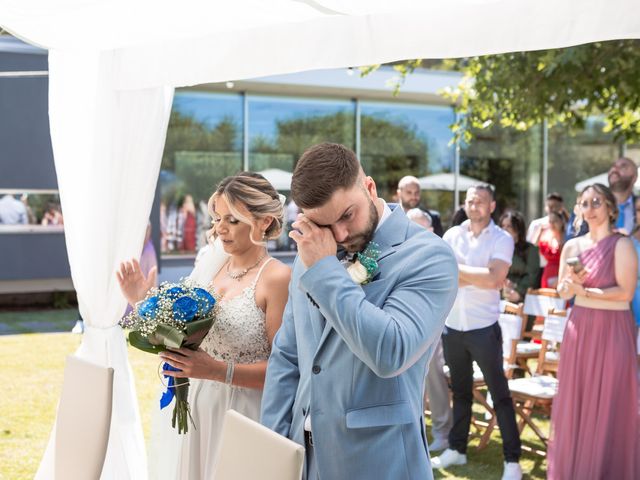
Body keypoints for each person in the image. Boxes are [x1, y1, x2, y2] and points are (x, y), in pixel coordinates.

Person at [261, 143, 458, 480]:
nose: (339, 235)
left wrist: (325, 270)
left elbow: (390, 352)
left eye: (347, 215)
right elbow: (288, 356)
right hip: (304, 461)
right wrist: (272, 447)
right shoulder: (311, 254)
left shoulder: (429, 256)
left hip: (380, 462)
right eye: (324, 224)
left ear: (369, 187)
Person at [117, 172, 291, 479]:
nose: (220, 229)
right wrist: (142, 302)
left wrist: (217, 371)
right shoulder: (212, 267)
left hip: (246, 414)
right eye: (218, 218)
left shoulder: (277, 278)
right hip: (200, 407)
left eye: (233, 220)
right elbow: (179, 332)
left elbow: (285, 371)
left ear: (264, 222)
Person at [549, 183, 639, 479]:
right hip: (580, 331)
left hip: (613, 331)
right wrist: (566, 288)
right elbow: (564, 293)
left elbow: (625, 293)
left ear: (611, 208)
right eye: (584, 203)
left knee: (611, 401)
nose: (590, 208)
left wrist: (583, 291)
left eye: (597, 202)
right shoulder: (572, 247)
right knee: (579, 401)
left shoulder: (623, 244)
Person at [433, 185, 522, 480]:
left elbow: (495, 279)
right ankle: (457, 449)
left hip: (484, 330)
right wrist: (475, 274)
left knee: (499, 394)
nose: (474, 205)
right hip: (453, 327)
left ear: (492, 205)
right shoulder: (452, 235)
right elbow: (442, 275)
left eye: (480, 201)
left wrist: (458, 271)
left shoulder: (502, 238)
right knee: (459, 392)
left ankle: (512, 460)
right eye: (470, 200)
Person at [407, 207, 452, 451]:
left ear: (431, 230)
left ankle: (442, 431)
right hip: (405, 328)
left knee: (434, 378)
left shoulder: (438, 254)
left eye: (420, 228)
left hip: (432, 328)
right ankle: (415, 431)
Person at [567, 156, 638, 238]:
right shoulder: (587, 204)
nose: (615, 169)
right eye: (613, 166)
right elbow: (572, 238)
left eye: (623, 167)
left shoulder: (638, 206)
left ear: (634, 177)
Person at [500, 210, 540, 303]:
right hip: (499, 298)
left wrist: (518, 292)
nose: (504, 229)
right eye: (502, 226)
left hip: (523, 299)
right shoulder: (496, 249)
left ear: (518, 229)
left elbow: (532, 276)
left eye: (509, 226)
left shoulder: (531, 250)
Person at [526, 192, 563, 280]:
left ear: (561, 207)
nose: (551, 209)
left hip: (559, 268)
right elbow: (529, 247)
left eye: (555, 206)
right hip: (538, 268)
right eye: (549, 206)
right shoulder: (536, 224)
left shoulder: (566, 225)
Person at [534, 210, 566, 288]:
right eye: (550, 222)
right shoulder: (547, 238)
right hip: (548, 273)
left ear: (561, 222)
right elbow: (535, 247)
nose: (552, 224)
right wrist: (539, 232)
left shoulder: (566, 238)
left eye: (555, 221)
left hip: (561, 272)